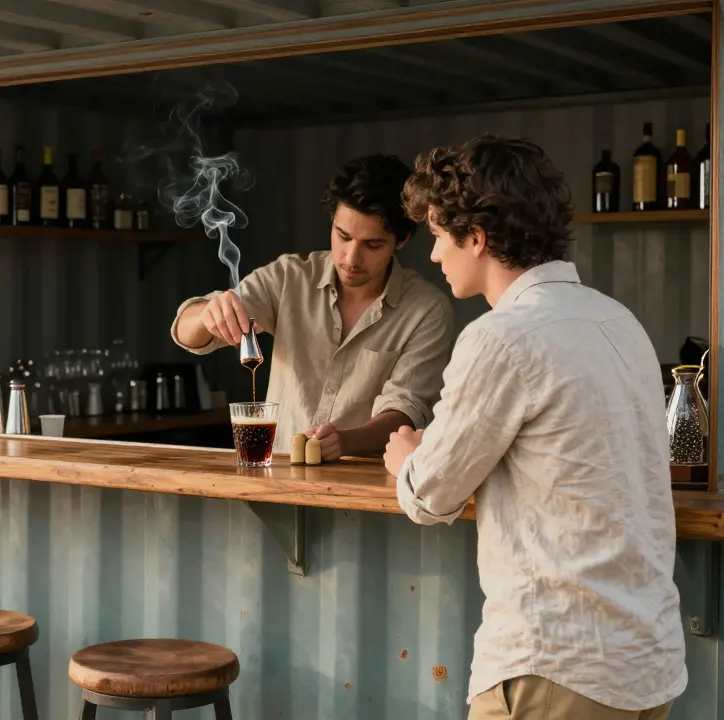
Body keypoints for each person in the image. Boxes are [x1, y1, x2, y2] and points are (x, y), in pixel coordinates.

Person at [383, 135, 686, 719]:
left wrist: (408, 457)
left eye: (442, 235)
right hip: (647, 665)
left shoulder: (502, 337)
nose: (434, 255)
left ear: (478, 237)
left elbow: (430, 495)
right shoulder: (620, 322)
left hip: (556, 668)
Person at [170, 154, 454, 458]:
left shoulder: (426, 310)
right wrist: (207, 315)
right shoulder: (289, 277)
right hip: (279, 481)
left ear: (403, 239)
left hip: (363, 492)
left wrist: (344, 441)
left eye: (372, 245)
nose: (351, 258)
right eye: (342, 236)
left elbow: (406, 411)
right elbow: (187, 334)